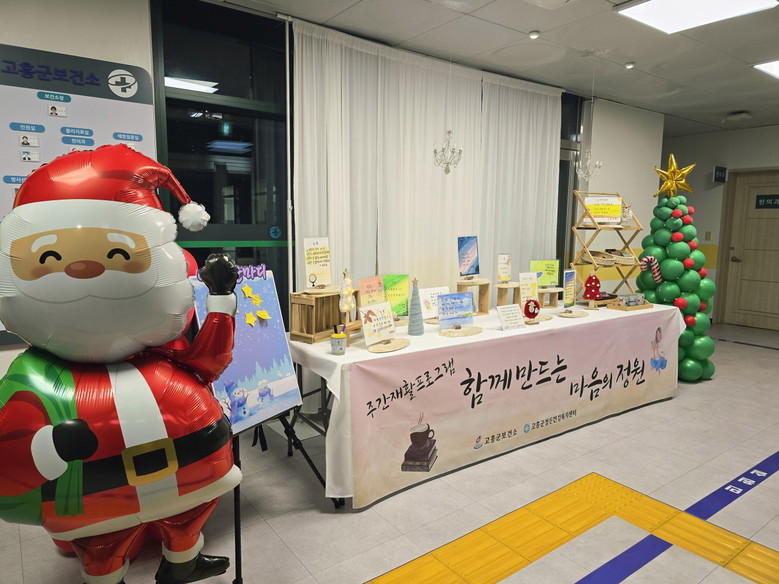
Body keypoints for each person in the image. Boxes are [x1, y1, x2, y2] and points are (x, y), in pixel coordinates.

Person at [0, 145, 241, 584]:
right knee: (104, 542)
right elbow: (10, 448)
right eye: (50, 258)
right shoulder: (37, 375)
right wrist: (49, 447)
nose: (84, 267)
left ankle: (182, 564)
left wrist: (222, 300)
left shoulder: (160, 350)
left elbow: (208, 363)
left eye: (115, 254)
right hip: (99, 488)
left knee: (187, 519)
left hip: (190, 469)